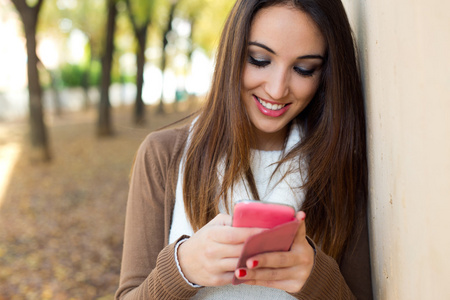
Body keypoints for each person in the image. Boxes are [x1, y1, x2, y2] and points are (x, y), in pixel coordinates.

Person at [115, 0, 373, 299]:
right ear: (232, 52)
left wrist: (315, 276)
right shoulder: (163, 156)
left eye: (304, 69)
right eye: (259, 60)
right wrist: (182, 268)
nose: (277, 89)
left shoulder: (340, 164)